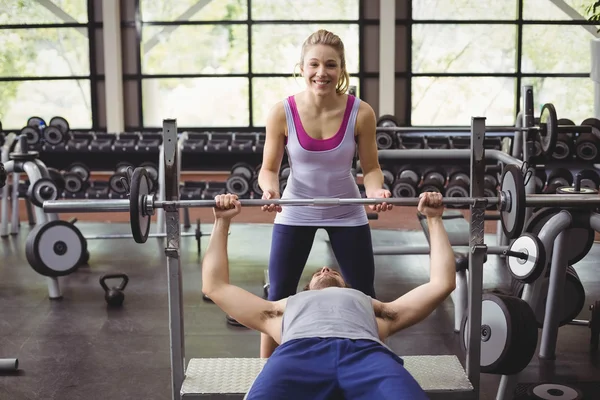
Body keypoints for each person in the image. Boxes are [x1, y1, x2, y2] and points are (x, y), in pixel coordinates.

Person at [202, 192, 456, 400]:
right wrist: (221, 221)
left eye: (332, 270)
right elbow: (214, 287)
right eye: (318, 272)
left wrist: (434, 219)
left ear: (347, 289)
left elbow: (442, 284)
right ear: (307, 292)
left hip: (366, 355)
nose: (325, 269)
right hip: (297, 355)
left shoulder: (374, 309)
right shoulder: (280, 310)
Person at [257, 29, 392, 358]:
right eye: (314, 64)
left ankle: (376, 364)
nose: (322, 73)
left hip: (346, 210)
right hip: (295, 209)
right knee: (279, 296)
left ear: (342, 69)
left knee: (364, 295)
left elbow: (371, 168)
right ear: (301, 68)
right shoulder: (281, 112)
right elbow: (269, 168)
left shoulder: (361, 112)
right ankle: (264, 371)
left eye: (330, 65)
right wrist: (270, 189)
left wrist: (377, 190)